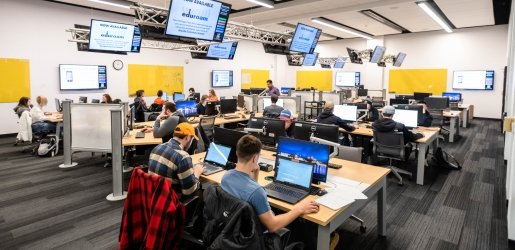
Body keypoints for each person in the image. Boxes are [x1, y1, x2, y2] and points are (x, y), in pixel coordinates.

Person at [221, 135, 319, 233]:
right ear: (255, 159)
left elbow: (247, 193)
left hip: (234, 230)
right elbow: (273, 226)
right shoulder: (257, 192)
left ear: (237, 153)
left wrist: (254, 177)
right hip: (256, 238)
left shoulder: (226, 177)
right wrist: (300, 209)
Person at [148, 123, 203, 198]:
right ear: (187, 138)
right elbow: (189, 191)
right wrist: (197, 174)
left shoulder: (157, 147)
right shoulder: (183, 156)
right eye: (192, 139)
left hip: (153, 196)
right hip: (170, 202)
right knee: (203, 192)